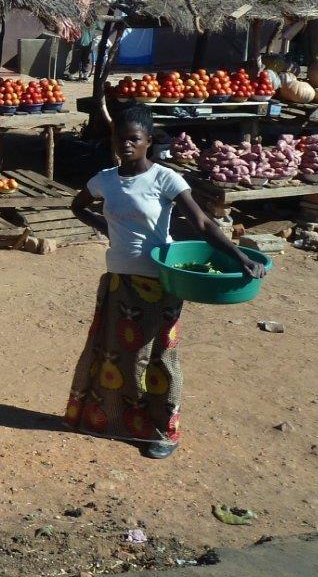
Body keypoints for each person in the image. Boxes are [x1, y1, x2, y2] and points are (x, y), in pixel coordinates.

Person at [65, 104, 265, 459]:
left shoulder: (166, 179)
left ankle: (163, 433)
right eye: (119, 138)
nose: (125, 145)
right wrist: (107, 229)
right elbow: (78, 206)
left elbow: (203, 224)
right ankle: (116, 422)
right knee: (117, 356)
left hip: (160, 282)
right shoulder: (105, 180)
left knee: (159, 358)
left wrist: (241, 256)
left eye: (133, 139)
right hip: (119, 279)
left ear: (149, 142)